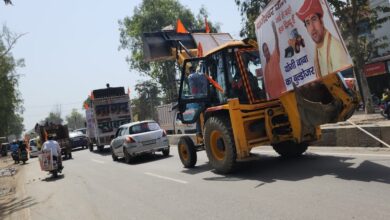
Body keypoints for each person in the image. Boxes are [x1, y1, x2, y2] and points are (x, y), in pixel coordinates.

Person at [296, 0, 350, 77]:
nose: (312, 28)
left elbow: (345, 80)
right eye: (308, 23)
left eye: (314, 19)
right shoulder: (317, 49)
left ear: (321, 21)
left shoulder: (334, 47)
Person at [263, 21, 286, 99]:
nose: (267, 52)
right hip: (275, 99)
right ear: (263, 53)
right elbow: (268, 89)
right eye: (265, 50)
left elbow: (277, 42)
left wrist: (275, 31)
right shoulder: (265, 69)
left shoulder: (274, 57)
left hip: (284, 94)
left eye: (267, 49)